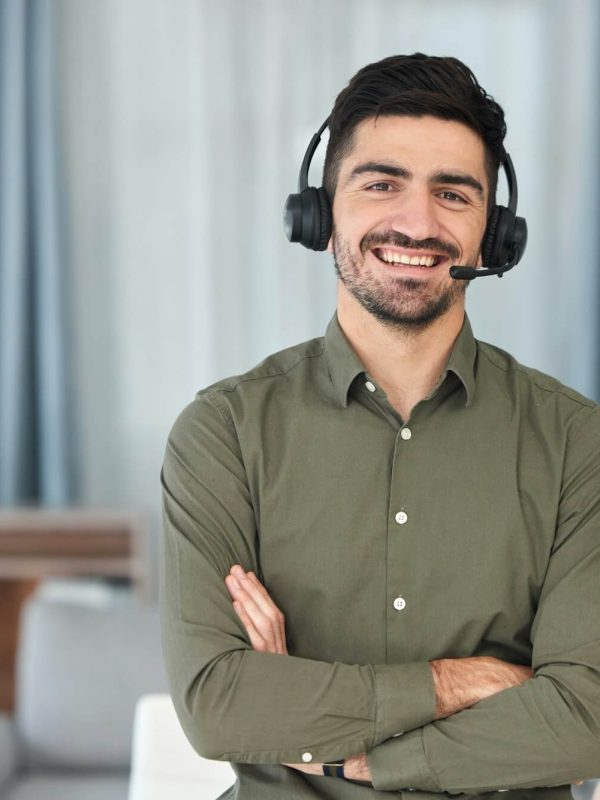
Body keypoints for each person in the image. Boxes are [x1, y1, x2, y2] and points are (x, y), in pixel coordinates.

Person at [160, 54, 600, 799]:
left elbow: (587, 714)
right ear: (320, 211)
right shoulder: (222, 432)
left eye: (453, 194)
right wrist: (461, 683)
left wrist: (345, 750)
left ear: (495, 235)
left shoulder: (576, 442)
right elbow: (218, 705)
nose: (416, 223)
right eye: (381, 184)